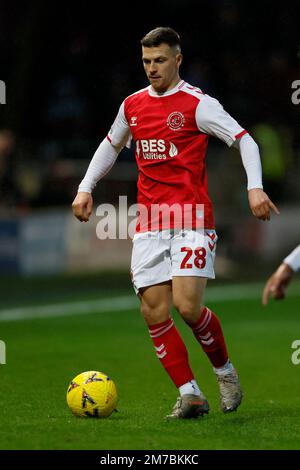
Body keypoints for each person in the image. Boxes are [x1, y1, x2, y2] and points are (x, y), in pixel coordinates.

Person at [72, 27, 279, 419]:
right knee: (153, 310)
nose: (152, 68)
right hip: (150, 221)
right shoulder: (132, 104)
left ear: (177, 59)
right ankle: (190, 394)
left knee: (186, 306)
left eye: (160, 60)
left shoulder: (197, 104)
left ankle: (225, 372)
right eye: (147, 61)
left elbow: (245, 140)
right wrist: (86, 188)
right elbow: (111, 144)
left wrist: (256, 188)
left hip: (191, 219)